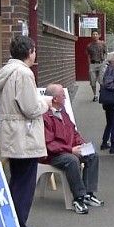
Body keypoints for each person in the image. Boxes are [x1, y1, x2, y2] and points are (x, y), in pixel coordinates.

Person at [0, 35, 52, 227]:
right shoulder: (24, 74)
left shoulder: (4, 73)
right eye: (34, 50)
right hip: (24, 136)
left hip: (10, 132)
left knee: (16, 181)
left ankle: (13, 224)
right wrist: (45, 103)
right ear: (29, 52)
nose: (35, 54)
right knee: (24, 185)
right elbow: (30, 108)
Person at [42, 84, 105, 215]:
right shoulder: (45, 117)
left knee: (92, 154)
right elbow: (49, 144)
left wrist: (81, 144)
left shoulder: (63, 112)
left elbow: (73, 132)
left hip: (69, 149)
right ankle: (78, 197)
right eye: (62, 95)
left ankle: (88, 193)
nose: (65, 97)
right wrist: (70, 150)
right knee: (72, 160)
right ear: (54, 98)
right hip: (53, 155)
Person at [86, 29, 107, 102]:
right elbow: (88, 55)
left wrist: (105, 61)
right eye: (93, 34)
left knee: (101, 80)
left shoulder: (102, 44)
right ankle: (95, 95)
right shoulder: (89, 46)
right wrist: (89, 64)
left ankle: (102, 94)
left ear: (99, 35)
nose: (95, 35)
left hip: (101, 63)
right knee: (92, 80)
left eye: (96, 34)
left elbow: (106, 53)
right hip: (93, 64)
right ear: (91, 36)